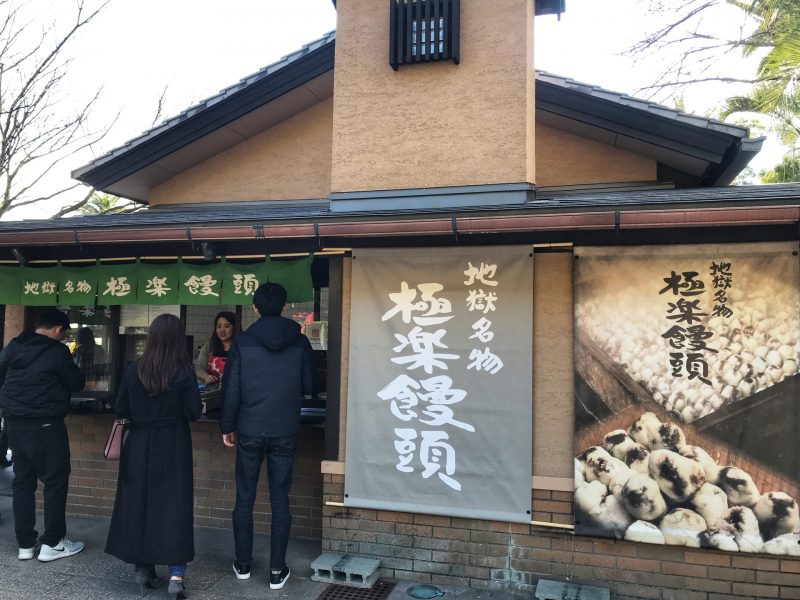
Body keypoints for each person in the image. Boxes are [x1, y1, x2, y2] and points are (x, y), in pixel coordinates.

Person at [221, 282, 314, 590]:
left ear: (255, 308)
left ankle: (243, 564)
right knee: (280, 499)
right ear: (285, 306)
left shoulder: (243, 342)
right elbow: (310, 385)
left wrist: (227, 426)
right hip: (285, 429)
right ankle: (277, 570)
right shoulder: (300, 342)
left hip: (248, 428)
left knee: (244, 498)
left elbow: (231, 389)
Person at [105, 314, 202, 600]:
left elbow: (120, 408)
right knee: (174, 506)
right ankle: (175, 574)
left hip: (138, 445)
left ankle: (143, 568)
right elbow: (194, 413)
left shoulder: (134, 369)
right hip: (173, 445)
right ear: (177, 339)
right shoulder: (184, 371)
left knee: (139, 504)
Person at [0, 307, 85, 561]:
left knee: (23, 483)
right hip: (47, 425)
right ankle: (53, 543)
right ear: (59, 330)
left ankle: (25, 545)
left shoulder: (14, 346)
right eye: (64, 333)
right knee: (55, 482)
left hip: (15, 424)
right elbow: (77, 383)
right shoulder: (58, 352)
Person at [195, 311, 236, 385]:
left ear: (234, 328)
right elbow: (198, 368)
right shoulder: (209, 346)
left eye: (227, 326)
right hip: (213, 393)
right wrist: (206, 377)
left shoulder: (241, 346)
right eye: (219, 326)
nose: (222, 330)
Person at [73, 327, 110, 391]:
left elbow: (74, 369)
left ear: (78, 338)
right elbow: (105, 369)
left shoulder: (78, 351)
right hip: (97, 387)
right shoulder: (100, 350)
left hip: (80, 388)